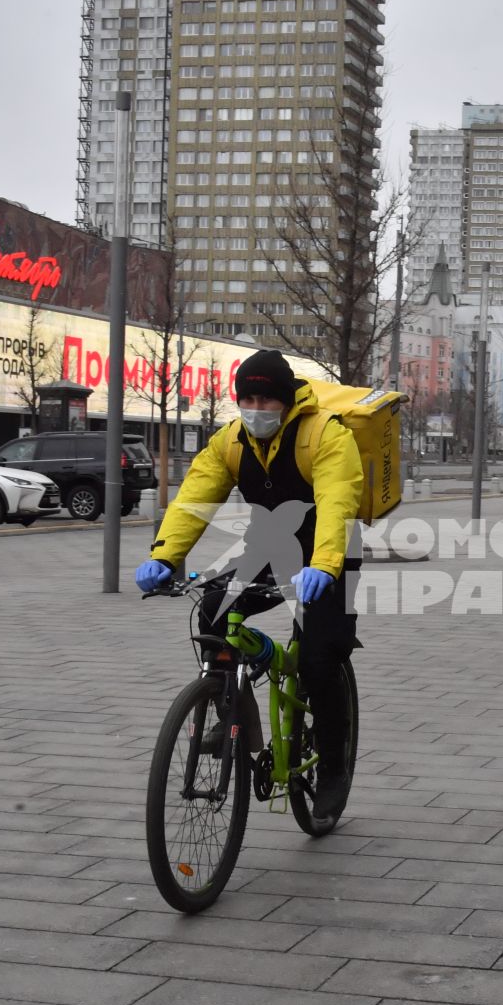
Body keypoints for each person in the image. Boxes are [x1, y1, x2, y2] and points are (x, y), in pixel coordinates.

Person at [135, 349, 364, 822]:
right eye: (248, 398)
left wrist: (325, 564)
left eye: (266, 399)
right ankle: (228, 710)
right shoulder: (230, 442)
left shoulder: (325, 433)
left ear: (286, 400)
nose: (256, 408)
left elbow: (338, 501)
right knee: (214, 611)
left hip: (330, 551)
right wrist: (164, 555)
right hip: (272, 546)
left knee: (320, 658)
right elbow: (193, 498)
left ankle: (334, 765)